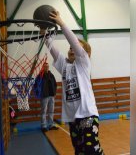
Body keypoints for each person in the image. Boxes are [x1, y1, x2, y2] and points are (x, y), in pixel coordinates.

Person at [43, 11, 104, 154]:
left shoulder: (83, 64)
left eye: (75, 48)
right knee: (79, 151)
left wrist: (61, 23)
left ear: (86, 54)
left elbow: (74, 43)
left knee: (90, 151)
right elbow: (52, 49)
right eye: (70, 48)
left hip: (88, 115)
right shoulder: (64, 66)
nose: (71, 49)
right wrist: (44, 32)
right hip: (73, 118)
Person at [37, 62, 59, 132]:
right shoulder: (40, 76)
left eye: (47, 66)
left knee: (51, 111)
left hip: (51, 96)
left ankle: (51, 125)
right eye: (45, 66)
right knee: (44, 111)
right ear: (43, 67)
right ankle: (43, 125)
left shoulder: (51, 75)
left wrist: (54, 92)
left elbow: (55, 84)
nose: (46, 67)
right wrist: (40, 93)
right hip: (44, 96)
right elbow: (37, 85)